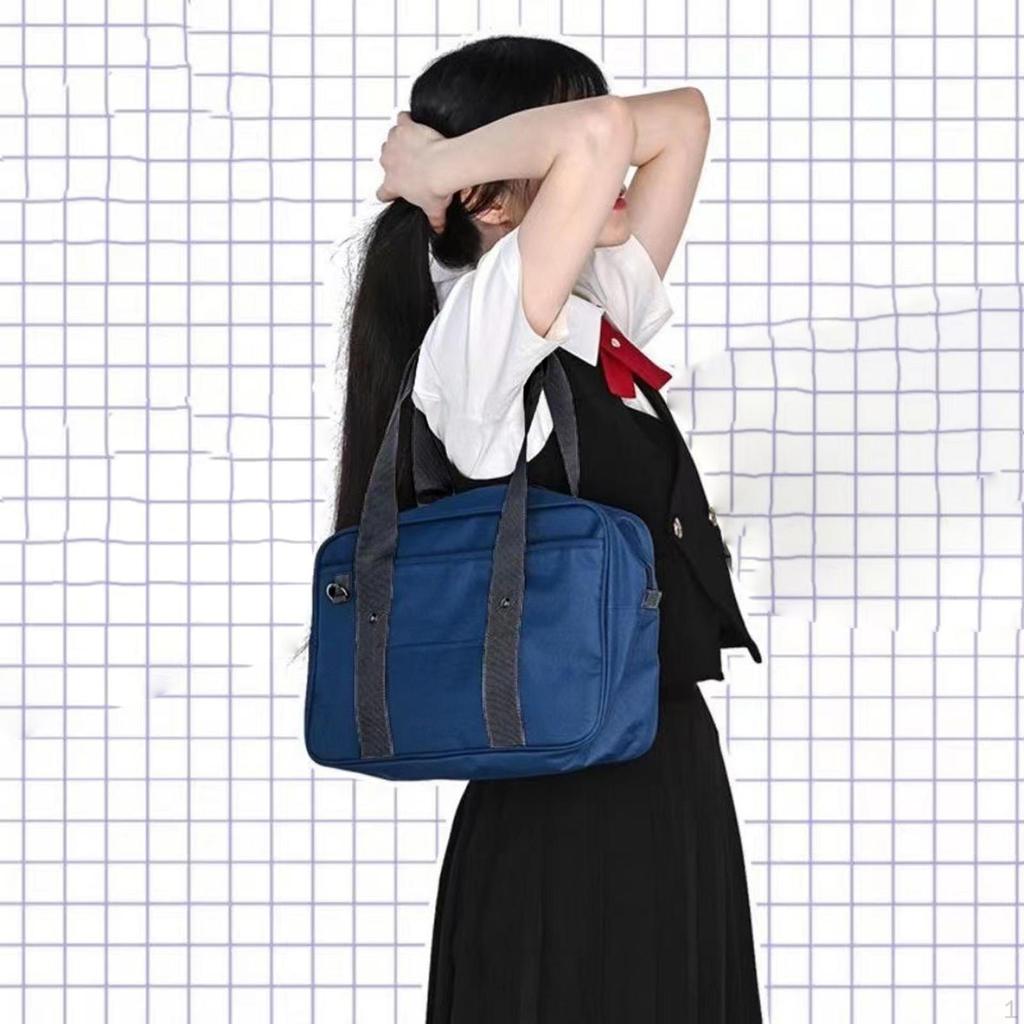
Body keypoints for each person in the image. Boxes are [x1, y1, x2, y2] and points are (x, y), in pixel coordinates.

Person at [333, 33, 764, 1024]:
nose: (616, 163)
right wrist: (442, 169)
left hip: (661, 768)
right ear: (490, 199)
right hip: (567, 800)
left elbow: (682, 121)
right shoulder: (478, 339)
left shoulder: (584, 310)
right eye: (558, 132)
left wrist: (455, 168)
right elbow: (605, 131)